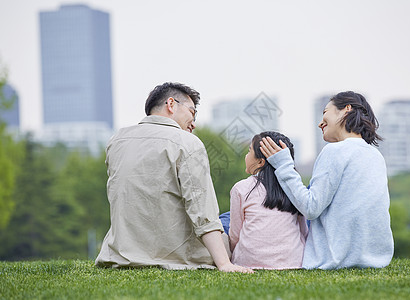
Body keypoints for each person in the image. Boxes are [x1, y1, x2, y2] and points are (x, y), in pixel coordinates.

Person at [95, 82, 252, 273]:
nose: (193, 123)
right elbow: (203, 211)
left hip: (122, 254)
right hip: (178, 255)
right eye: (192, 112)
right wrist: (224, 264)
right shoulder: (187, 142)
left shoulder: (117, 140)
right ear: (171, 104)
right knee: (233, 217)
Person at [260, 91, 394, 269]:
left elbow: (311, 207)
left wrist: (283, 165)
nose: (320, 122)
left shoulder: (335, 150)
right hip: (375, 258)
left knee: (236, 215)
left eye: (325, 112)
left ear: (346, 109)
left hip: (336, 257)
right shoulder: (375, 155)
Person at [229, 131, 308, 269]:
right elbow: (303, 231)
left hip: (247, 262)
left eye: (249, 151)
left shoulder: (241, 188)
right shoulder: (294, 187)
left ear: (260, 162)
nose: (246, 156)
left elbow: (234, 236)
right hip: (293, 262)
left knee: (223, 221)